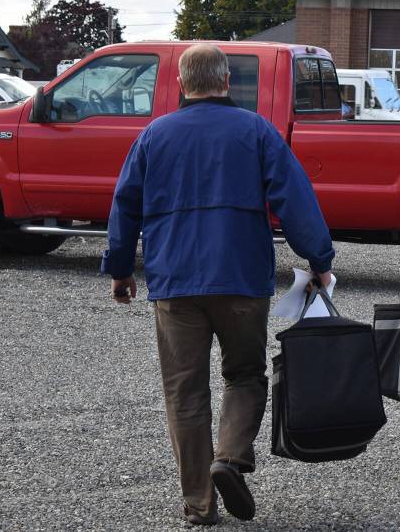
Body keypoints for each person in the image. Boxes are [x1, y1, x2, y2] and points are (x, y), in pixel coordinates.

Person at [101, 44, 335, 525]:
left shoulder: (154, 136)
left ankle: (198, 503)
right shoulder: (256, 131)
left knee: (185, 393)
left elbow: (125, 206)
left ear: (181, 85)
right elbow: (294, 198)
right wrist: (319, 258)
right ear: (228, 82)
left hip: (175, 282)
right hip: (242, 279)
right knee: (245, 375)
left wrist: (121, 269)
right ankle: (229, 456)